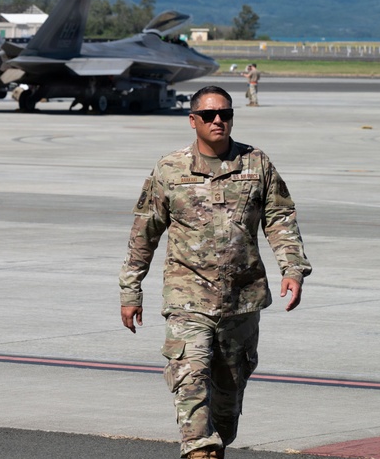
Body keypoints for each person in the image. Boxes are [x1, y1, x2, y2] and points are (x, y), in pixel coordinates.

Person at [119, 85, 311, 459]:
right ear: (193, 121)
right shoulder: (170, 169)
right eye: (209, 115)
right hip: (186, 299)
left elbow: (279, 218)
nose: (218, 120)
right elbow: (144, 232)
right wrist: (130, 290)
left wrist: (293, 267)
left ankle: (213, 442)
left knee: (226, 405)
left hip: (242, 300)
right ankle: (198, 449)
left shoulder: (257, 164)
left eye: (225, 113)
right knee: (190, 383)